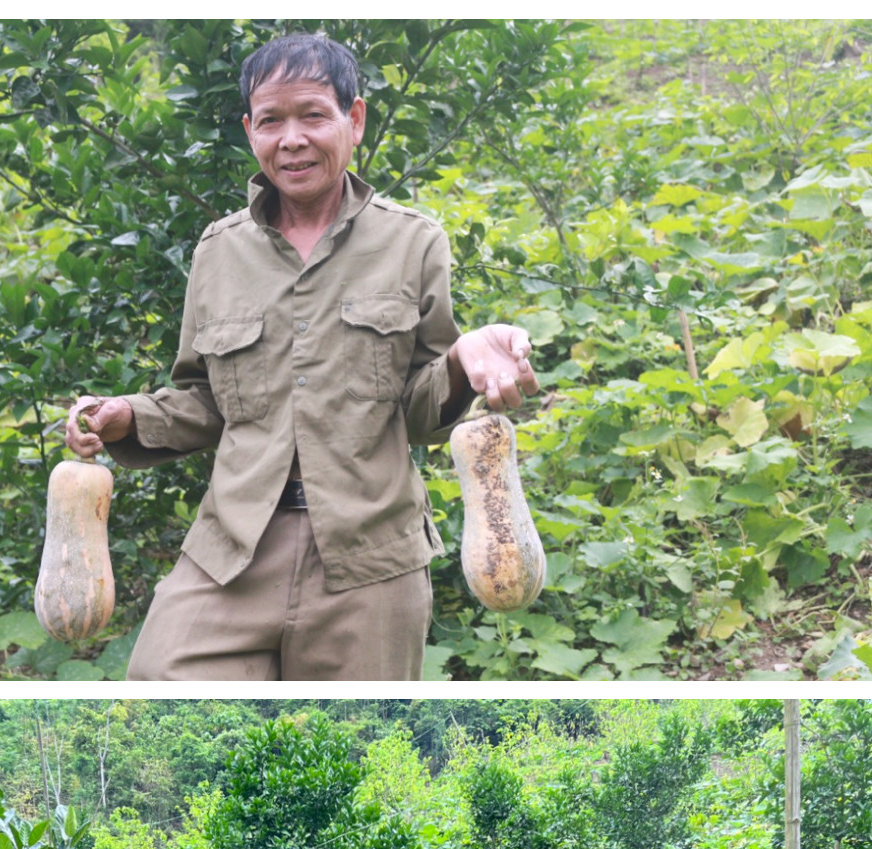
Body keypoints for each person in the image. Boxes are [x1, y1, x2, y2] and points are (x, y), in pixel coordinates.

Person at [64, 31, 538, 680]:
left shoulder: (414, 243)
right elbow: (206, 398)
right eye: (271, 121)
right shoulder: (219, 250)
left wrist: (460, 358)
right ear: (249, 131)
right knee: (157, 680)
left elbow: (420, 412)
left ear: (355, 119)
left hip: (370, 558)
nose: (292, 139)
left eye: (313, 115)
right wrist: (127, 415)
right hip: (232, 547)